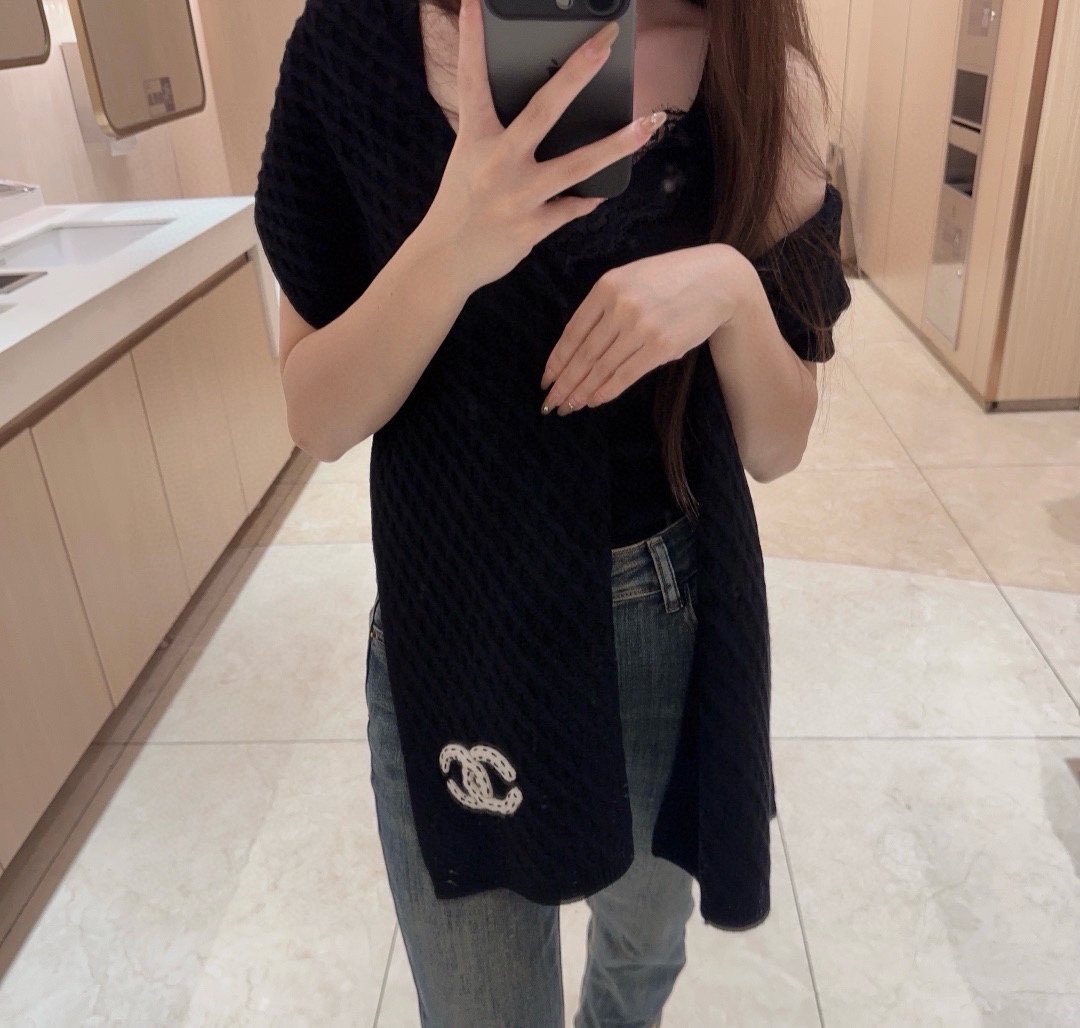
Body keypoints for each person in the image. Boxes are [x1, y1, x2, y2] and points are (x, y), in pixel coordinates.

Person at [253, 0, 851, 1023]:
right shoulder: (353, 44)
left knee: (641, 951)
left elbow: (777, 443)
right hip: (453, 631)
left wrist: (728, 291)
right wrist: (453, 245)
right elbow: (317, 416)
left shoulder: (754, 70)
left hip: (666, 611)